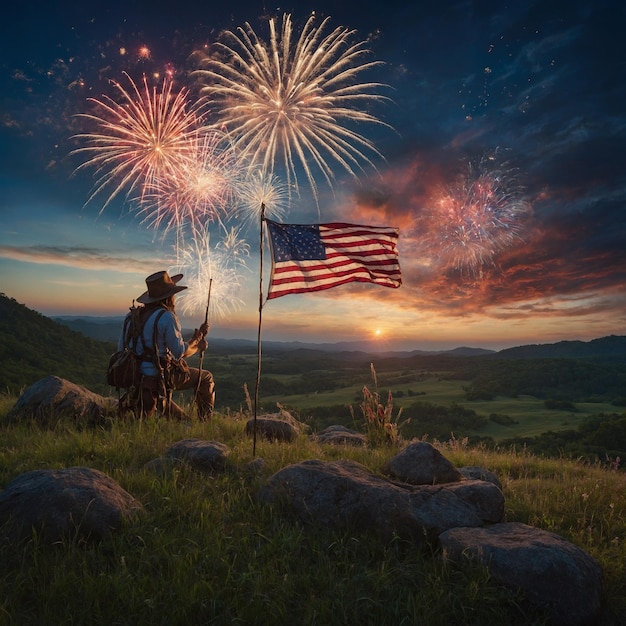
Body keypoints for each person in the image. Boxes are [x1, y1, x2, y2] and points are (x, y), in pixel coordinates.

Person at [118, 270, 215, 419]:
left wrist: (195, 340)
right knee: (206, 377)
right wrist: (198, 346)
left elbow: (120, 349)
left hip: (134, 375)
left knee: (179, 416)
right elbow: (179, 352)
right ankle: (205, 422)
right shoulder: (167, 317)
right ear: (169, 297)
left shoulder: (131, 316)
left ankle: (173, 413)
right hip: (158, 376)